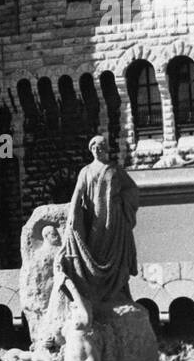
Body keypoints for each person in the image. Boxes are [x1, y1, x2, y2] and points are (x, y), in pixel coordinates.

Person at [58, 135, 140, 323]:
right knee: (95, 251)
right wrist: (72, 214)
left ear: (106, 149)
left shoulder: (115, 170)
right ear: (91, 149)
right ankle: (95, 291)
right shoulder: (85, 171)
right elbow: (77, 193)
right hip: (95, 221)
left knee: (115, 254)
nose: (98, 149)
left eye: (101, 146)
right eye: (94, 146)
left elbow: (132, 190)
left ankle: (117, 291)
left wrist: (122, 204)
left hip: (115, 221)